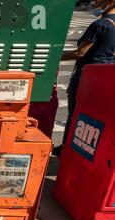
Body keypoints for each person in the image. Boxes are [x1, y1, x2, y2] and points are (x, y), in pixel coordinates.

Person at [54, 0, 115, 156]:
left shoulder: (101, 24)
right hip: (107, 76)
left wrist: (53, 57)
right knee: (95, 118)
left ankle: (66, 150)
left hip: (87, 77)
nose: (93, 0)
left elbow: (80, 53)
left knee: (75, 114)